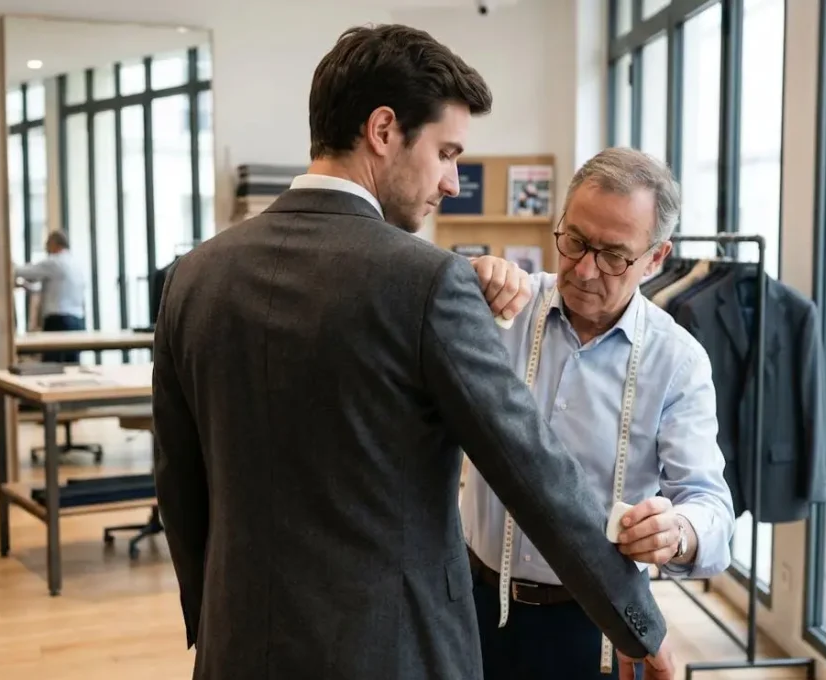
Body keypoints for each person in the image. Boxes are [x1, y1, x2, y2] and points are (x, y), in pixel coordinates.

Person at [151, 24, 676, 680]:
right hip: (393, 651)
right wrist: (640, 627)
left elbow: (178, 482)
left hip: (237, 644)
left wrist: (211, 616)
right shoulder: (427, 283)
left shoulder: (194, 275)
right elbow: (534, 474)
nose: (453, 182)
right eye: (446, 153)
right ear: (383, 130)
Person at [461, 147, 735, 679]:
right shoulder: (503, 312)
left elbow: (711, 507)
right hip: (474, 604)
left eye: (613, 256)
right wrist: (463, 282)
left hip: (597, 625)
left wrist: (677, 531)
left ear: (656, 258)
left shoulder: (677, 362)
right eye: (575, 241)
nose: (584, 270)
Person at [14, 229, 87, 363]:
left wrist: (8, 264)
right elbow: (52, 289)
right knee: (72, 365)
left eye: (47, 245)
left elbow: (24, 271)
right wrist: (25, 286)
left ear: (54, 244)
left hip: (58, 321)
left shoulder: (54, 262)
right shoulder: (76, 263)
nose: (46, 249)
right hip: (77, 322)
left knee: (53, 364)